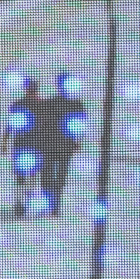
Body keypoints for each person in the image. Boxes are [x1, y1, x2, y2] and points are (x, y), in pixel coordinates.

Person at [39, 77, 85, 215]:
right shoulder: (77, 104)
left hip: (48, 144)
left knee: (47, 175)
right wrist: (78, 141)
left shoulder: (49, 103)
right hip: (65, 145)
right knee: (59, 176)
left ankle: (49, 203)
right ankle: (55, 205)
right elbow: (80, 125)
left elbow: (41, 123)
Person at [2, 77, 45, 217]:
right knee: (25, 176)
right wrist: (4, 141)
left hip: (30, 145)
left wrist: (4, 142)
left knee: (28, 176)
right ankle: (22, 202)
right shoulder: (36, 105)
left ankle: (23, 202)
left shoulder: (22, 104)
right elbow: (10, 125)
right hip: (28, 145)